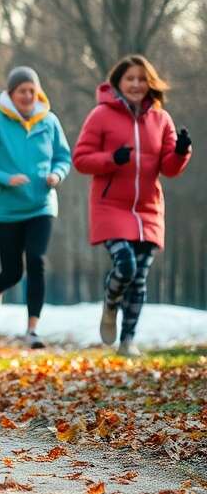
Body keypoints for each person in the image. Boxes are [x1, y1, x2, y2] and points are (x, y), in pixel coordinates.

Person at [73, 55, 191, 357]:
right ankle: (110, 303)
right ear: (118, 83)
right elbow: (81, 160)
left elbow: (170, 167)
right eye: (130, 79)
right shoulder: (100, 115)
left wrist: (180, 152)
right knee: (125, 265)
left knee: (139, 277)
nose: (137, 84)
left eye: (142, 79)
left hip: (148, 208)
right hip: (111, 205)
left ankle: (127, 341)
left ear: (150, 82)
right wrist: (112, 159)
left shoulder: (161, 119)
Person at [0, 66, 72, 349]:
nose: (28, 95)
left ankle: (33, 329)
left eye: (32, 90)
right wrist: (6, 178)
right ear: (10, 93)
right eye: (22, 91)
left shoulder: (49, 121)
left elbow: (64, 157)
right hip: (5, 209)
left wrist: (57, 174)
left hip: (42, 204)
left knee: (37, 261)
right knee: (13, 271)